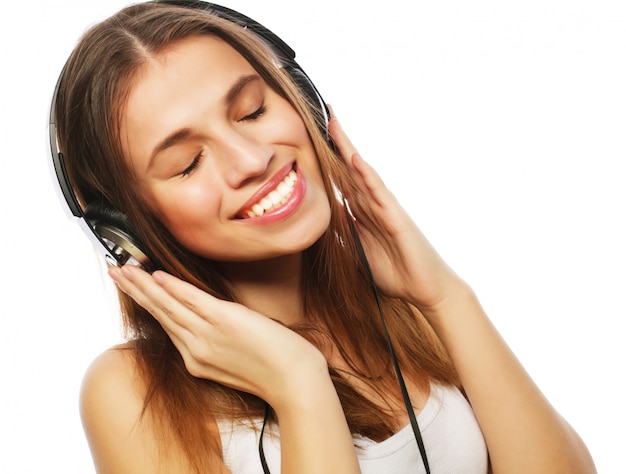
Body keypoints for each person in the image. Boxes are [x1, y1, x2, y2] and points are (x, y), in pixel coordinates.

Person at [51, 1, 596, 473]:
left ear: (302, 99)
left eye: (253, 110)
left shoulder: (404, 311)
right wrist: (299, 382)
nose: (252, 159)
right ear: (124, 229)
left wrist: (449, 299)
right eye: (188, 163)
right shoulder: (131, 392)